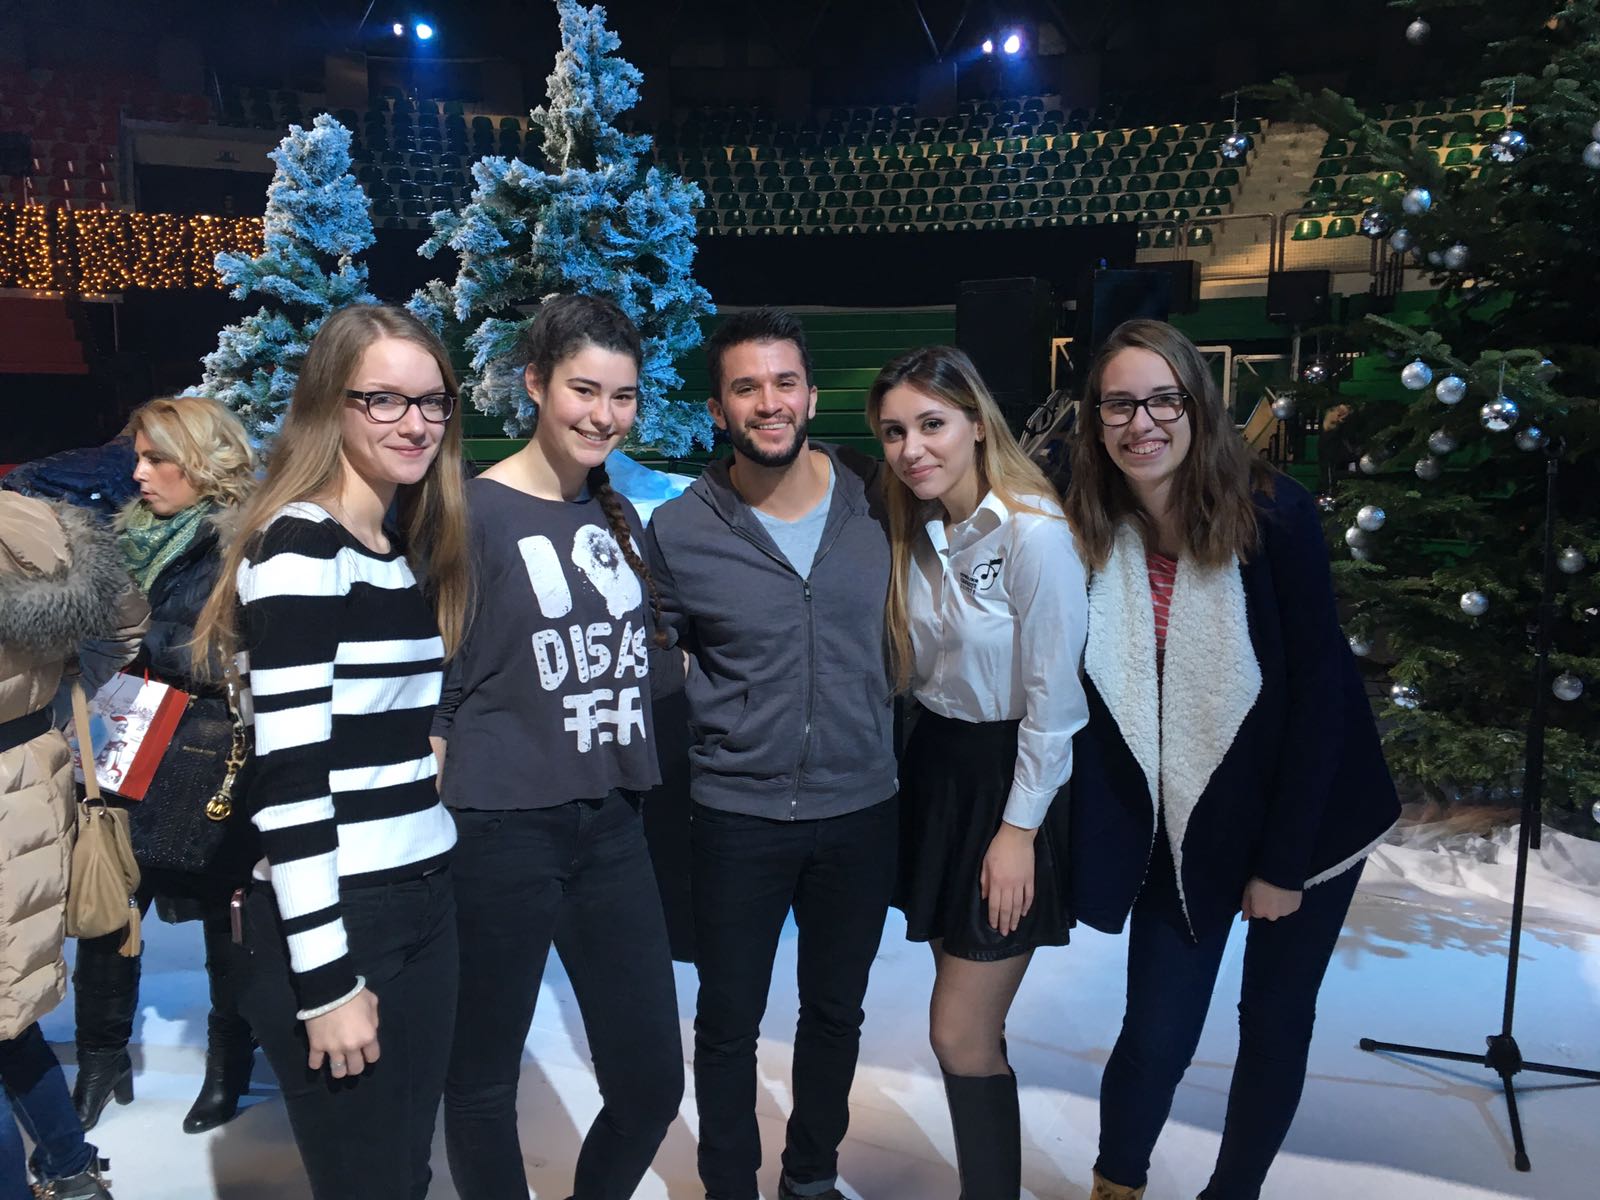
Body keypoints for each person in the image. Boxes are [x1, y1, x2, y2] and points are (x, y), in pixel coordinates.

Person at [1063, 320, 1399, 1200]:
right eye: (1119, 405)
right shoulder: (1091, 525)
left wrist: (1282, 865)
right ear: (1096, 420)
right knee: (1157, 1028)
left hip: (1311, 814)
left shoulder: (1274, 514)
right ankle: (1116, 1185)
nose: (1142, 423)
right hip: (1188, 813)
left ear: (1198, 406)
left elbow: (1319, 700)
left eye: (1163, 400)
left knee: (1273, 1021)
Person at [192, 304, 471, 1200]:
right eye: (383, 399)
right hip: (346, 917)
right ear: (329, 405)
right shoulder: (302, 547)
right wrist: (326, 980)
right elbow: (291, 780)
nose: (415, 424)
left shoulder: (391, 546)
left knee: (401, 1172)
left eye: (432, 401)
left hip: (422, 895)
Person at [644, 307, 898, 1200]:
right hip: (735, 814)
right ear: (719, 410)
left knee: (835, 1012)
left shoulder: (879, 500)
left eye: (785, 382)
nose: (769, 402)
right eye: (746, 387)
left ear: (812, 396)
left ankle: (812, 1176)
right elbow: (656, 649)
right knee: (726, 1022)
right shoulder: (680, 528)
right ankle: (730, 1185)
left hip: (861, 808)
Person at [433, 293, 683, 1199]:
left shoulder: (619, 516)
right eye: (585, 390)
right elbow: (437, 691)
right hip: (499, 828)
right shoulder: (470, 513)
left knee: (652, 1084)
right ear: (535, 383)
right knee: (481, 1081)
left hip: (612, 823)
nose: (604, 415)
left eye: (623, 396)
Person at [867, 345, 1088, 1200]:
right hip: (941, 773)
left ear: (976, 424)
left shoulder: (1036, 533)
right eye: (894, 432)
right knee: (971, 1026)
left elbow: (1056, 707)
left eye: (932, 424)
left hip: (1012, 783)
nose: (912, 448)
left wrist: (1018, 831)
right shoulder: (916, 532)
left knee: (958, 1032)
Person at [71, 396, 262, 1136]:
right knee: (110, 900)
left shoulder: (248, 541)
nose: (139, 474)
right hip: (130, 732)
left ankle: (228, 1065)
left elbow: (231, 652)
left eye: (158, 458)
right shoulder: (123, 539)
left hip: (214, 744)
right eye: (139, 457)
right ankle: (100, 1059)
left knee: (224, 916)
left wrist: (142, 647)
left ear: (203, 462)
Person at [1, 490, 145, 1199]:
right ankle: (69, 1166)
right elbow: (125, 625)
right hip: (30, 780)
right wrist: (50, 706)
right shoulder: (41, 522)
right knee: (8, 1004)